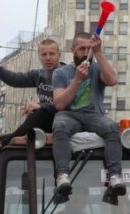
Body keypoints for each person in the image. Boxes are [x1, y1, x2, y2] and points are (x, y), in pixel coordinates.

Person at [0, 39, 65, 182]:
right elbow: (16, 80)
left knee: (38, 114)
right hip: (43, 121)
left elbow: (67, 102)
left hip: (62, 119)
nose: (48, 58)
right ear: (39, 56)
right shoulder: (39, 75)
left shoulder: (68, 73)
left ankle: (4, 140)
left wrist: (40, 106)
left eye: (52, 54)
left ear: (59, 54)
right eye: (44, 54)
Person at [51, 32, 122, 189]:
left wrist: (98, 52)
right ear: (73, 50)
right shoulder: (61, 73)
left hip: (94, 114)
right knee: (60, 127)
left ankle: (114, 175)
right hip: (69, 115)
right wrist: (77, 80)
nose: (85, 53)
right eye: (81, 49)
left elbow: (112, 80)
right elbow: (59, 104)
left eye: (88, 49)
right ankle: (62, 175)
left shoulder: (97, 69)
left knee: (113, 128)